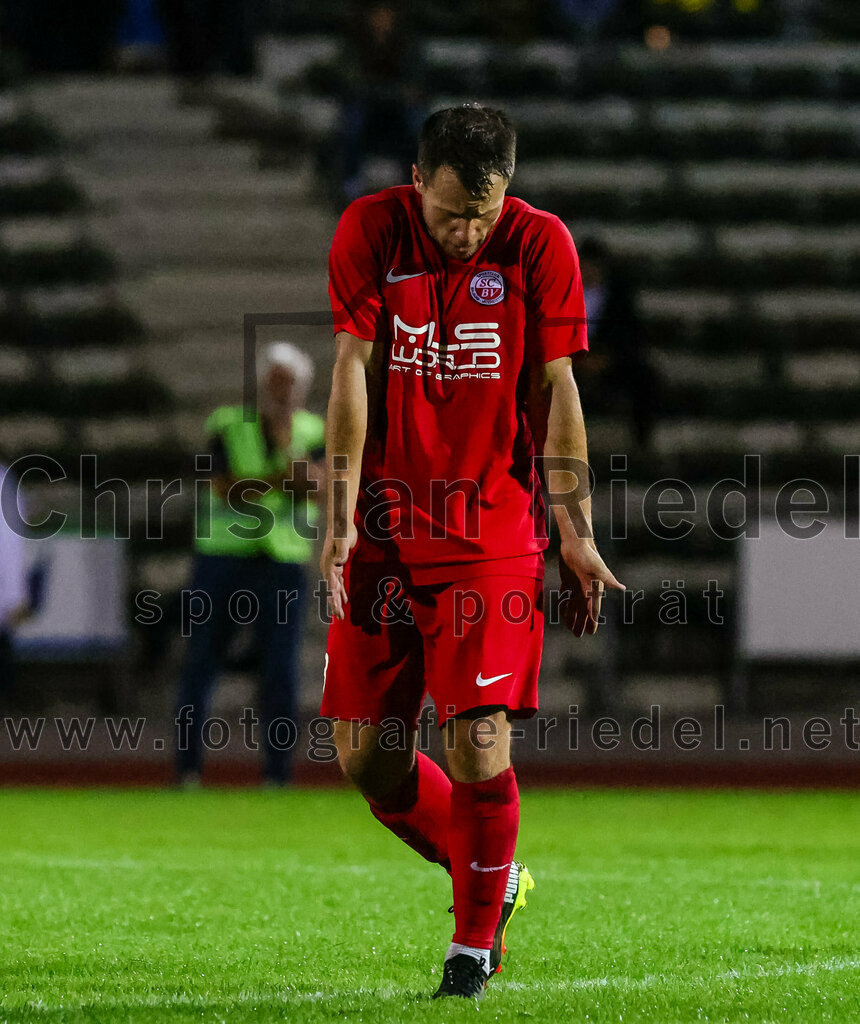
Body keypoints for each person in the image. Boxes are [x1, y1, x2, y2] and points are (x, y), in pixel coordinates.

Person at [319, 104, 624, 1001]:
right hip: (381, 525)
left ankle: (472, 947)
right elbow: (350, 374)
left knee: (475, 743)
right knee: (366, 758)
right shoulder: (371, 231)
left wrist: (575, 529)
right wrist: (338, 517)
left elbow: (557, 391)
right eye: (451, 214)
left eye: (482, 217)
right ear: (417, 182)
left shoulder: (540, 245)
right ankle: (497, 873)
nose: (466, 233)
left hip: (490, 528)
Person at [175, 343, 325, 786]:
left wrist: (282, 459)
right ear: (263, 382)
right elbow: (224, 488)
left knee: (281, 671)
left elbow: (320, 488)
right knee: (201, 663)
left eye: (289, 383)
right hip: (222, 557)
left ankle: (277, 775)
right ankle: (187, 771)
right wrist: (284, 478)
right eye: (275, 381)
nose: (281, 392)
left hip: (282, 562)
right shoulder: (226, 424)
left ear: (303, 388)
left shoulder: (313, 429)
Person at [576, 236, 659, 449]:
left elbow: (630, 335)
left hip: (608, 361)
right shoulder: (560, 291)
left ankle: (642, 442)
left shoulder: (619, 296)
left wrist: (607, 358)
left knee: (644, 376)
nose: (588, 270)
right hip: (569, 362)